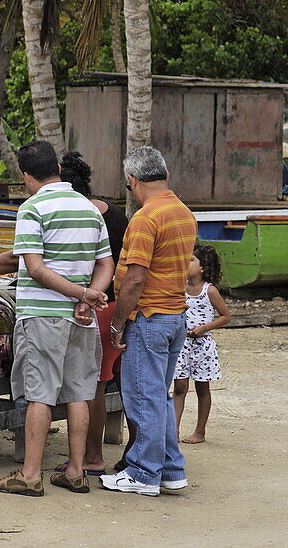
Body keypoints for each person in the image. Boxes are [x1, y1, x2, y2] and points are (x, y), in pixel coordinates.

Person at [0, 141, 112, 497]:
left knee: (39, 394)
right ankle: (75, 471)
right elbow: (106, 264)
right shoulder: (89, 209)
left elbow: (35, 269)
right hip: (80, 317)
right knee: (78, 392)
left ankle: (29, 475)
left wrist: (82, 295)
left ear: (26, 175)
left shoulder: (32, 207)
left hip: (43, 314)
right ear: (56, 167)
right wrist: (88, 295)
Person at [100, 146, 197, 497]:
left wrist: (119, 322)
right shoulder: (183, 212)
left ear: (132, 181)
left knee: (144, 396)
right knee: (159, 396)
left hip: (148, 316)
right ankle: (171, 468)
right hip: (174, 316)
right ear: (166, 175)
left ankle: (143, 472)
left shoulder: (145, 218)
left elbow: (135, 279)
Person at [56, 151, 129, 475]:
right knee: (116, 382)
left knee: (91, 386)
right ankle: (120, 451)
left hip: (93, 307)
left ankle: (93, 457)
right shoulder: (114, 213)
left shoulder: (77, 214)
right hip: (119, 306)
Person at [173, 244, 231, 444]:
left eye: (191, 260)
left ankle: (200, 431)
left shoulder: (210, 291)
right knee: (179, 387)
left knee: (202, 388)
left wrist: (204, 328)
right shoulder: (179, 287)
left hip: (202, 346)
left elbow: (225, 316)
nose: (185, 263)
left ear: (203, 268)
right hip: (181, 345)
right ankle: (174, 431)